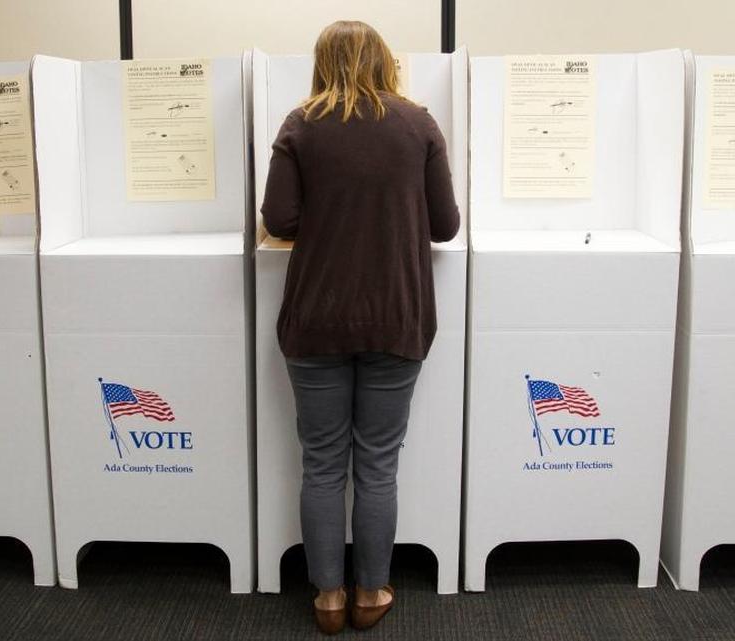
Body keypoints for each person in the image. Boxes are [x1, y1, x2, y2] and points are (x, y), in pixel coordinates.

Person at [261, 19, 460, 635]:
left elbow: (279, 219)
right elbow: (445, 225)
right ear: (385, 61)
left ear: (321, 63)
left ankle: (326, 598)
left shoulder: (299, 125)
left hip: (316, 319)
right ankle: (372, 591)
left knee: (321, 463)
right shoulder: (418, 123)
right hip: (396, 316)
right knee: (378, 463)